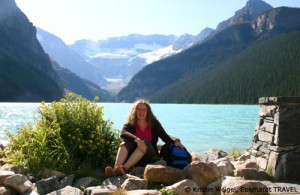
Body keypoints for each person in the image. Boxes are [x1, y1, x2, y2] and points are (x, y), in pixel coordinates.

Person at [105, 99, 185, 176]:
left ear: (148, 112)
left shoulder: (154, 123)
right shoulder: (131, 123)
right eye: (139, 109)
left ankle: (124, 168)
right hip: (134, 158)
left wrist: (176, 140)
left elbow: (165, 137)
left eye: (144, 110)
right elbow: (123, 132)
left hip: (150, 157)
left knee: (145, 142)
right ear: (135, 111)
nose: (141, 112)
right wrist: (137, 139)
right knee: (125, 142)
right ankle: (116, 169)